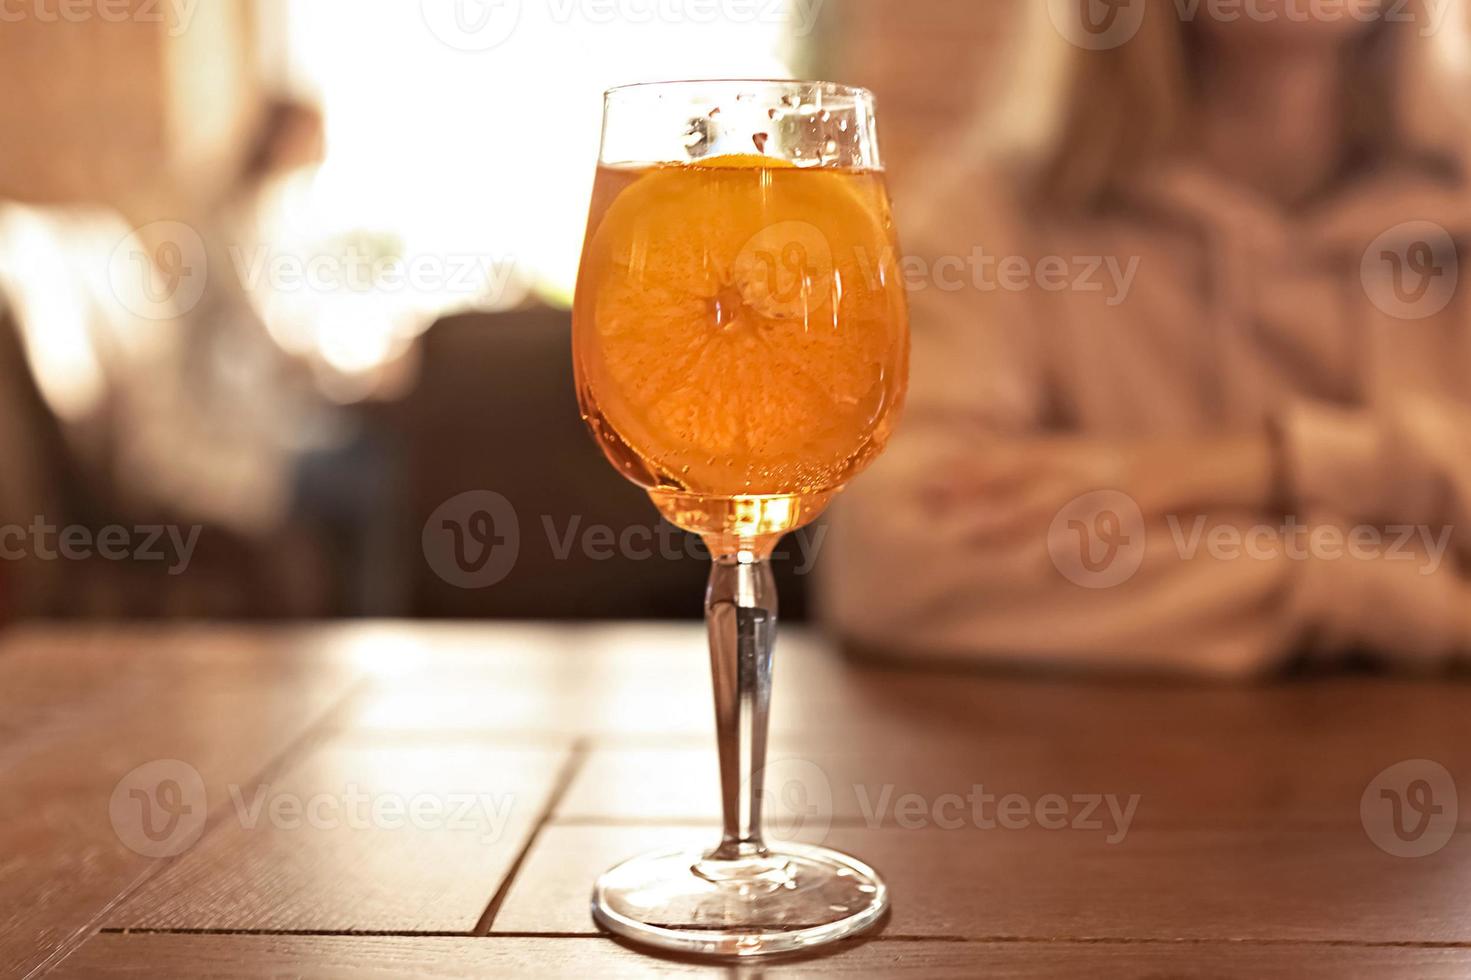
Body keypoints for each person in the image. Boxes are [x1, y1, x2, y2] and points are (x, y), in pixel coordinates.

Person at [821, 0, 1471, 676]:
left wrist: (1264, 466)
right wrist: (1363, 592)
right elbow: (898, 554)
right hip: (1091, 772)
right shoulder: (989, 219)